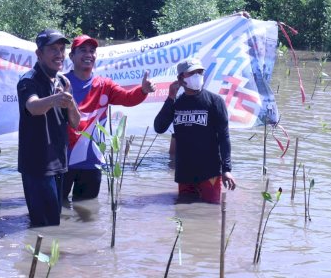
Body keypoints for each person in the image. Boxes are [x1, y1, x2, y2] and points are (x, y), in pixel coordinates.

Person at [63, 34, 156, 201]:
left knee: (86, 215)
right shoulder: (61, 83)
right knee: (56, 213)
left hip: (92, 161)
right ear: (71, 56)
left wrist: (142, 90)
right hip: (62, 160)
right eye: (83, 50)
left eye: (92, 51)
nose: (88, 54)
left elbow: (128, 98)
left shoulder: (104, 84)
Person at [17, 28, 80, 227]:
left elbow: (76, 122)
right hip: (37, 165)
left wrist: (69, 103)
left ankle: (49, 257)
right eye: (53, 49)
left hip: (59, 162)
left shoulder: (63, 81)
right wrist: (56, 98)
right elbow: (33, 107)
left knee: (53, 222)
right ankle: (38, 257)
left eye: (61, 49)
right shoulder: (29, 80)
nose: (59, 54)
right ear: (39, 53)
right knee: (44, 225)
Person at [153, 57, 236, 203]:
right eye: (192, 73)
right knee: (184, 215)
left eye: (200, 72)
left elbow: (224, 137)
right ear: (180, 78)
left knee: (209, 214)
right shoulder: (177, 103)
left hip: (209, 172)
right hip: (184, 173)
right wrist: (170, 96)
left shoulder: (215, 102)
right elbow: (159, 127)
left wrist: (226, 169)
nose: (197, 76)